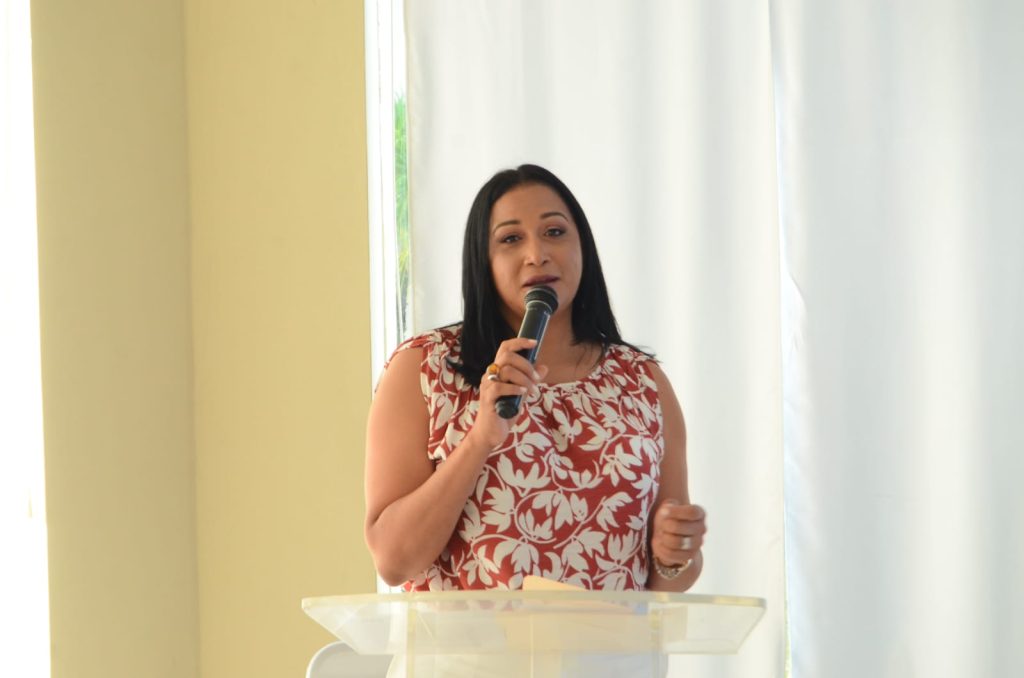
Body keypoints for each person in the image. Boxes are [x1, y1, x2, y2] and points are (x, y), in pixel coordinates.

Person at [364, 164, 705, 593]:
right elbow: (393, 562)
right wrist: (480, 438)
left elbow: (670, 577)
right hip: (471, 640)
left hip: (610, 640)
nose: (537, 254)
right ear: (483, 261)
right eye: (510, 239)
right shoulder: (424, 368)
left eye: (555, 232)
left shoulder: (643, 382)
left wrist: (675, 555)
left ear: (584, 247)